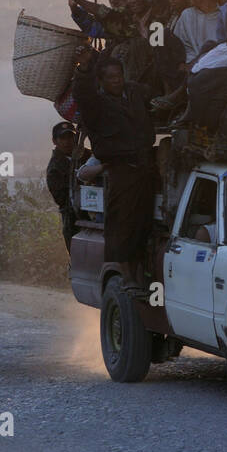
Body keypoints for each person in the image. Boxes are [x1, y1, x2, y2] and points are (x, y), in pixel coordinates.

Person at [71, 47, 157, 285]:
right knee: (122, 225)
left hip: (144, 169)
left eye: (118, 75)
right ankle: (127, 278)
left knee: (144, 223)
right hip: (120, 171)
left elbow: (154, 89)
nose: (116, 80)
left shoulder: (134, 93)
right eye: (110, 77)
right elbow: (82, 94)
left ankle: (143, 274)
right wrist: (84, 68)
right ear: (101, 81)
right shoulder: (96, 105)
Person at [45, 122, 78, 253]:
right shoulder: (54, 168)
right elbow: (61, 199)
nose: (67, 141)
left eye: (70, 137)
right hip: (73, 219)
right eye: (62, 138)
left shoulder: (87, 155)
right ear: (54, 141)